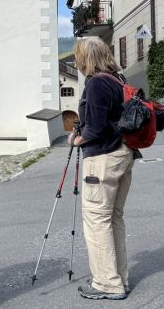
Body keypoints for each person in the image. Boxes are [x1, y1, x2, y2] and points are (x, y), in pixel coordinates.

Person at [70, 37, 134, 301]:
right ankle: (119, 277)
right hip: (123, 153)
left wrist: (76, 139)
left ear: (85, 58)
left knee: (97, 221)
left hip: (102, 159)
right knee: (114, 218)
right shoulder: (118, 80)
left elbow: (94, 129)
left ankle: (107, 283)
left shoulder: (96, 84)